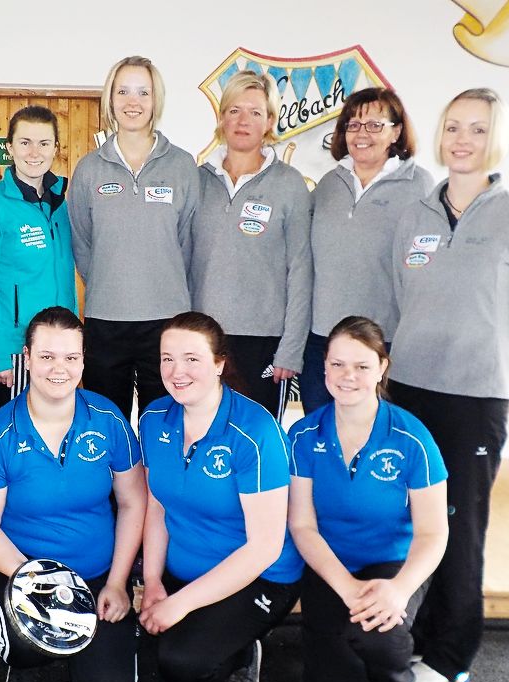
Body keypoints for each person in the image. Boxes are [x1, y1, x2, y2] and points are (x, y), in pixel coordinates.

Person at [389, 88, 509, 682]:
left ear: (496, 139)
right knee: (409, 520)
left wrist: (499, 380)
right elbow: (398, 300)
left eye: (478, 129)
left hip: (474, 402)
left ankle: (449, 653)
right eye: (454, 126)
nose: (463, 140)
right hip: (409, 391)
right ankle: (405, 634)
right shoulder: (415, 216)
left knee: (460, 527)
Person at [0, 307, 146, 682]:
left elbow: (133, 502)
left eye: (70, 357)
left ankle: (94, 640)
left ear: (83, 360)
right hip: (23, 571)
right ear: (27, 358)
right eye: (46, 356)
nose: (59, 368)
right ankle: (24, 662)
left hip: (97, 574)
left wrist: (118, 582)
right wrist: (38, 583)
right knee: (26, 647)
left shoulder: (108, 419)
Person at [287, 315, 448, 682]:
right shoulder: (303, 434)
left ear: (381, 368)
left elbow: (433, 533)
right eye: (337, 364)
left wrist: (399, 589)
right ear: (323, 368)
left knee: (379, 630)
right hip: (329, 564)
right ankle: (353, 645)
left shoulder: (412, 438)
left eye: (361, 366)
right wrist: (346, 587)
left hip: (392, 562)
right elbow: (301, 524)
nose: (348, 376)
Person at [139, 312, 303, 682]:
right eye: (167, 358)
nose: (177, 371)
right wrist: (153, 581)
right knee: (156, 655)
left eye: (192, 359)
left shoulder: (255, 431)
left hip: (261, 575)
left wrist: (180, 605)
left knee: (182, 671)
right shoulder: (154, 419)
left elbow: (264, 547)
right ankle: (217, 633)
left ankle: (244, 652)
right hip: (186, 568)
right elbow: (156, 505)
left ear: (218, 364)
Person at [67, 55, 198, 419]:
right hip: (106, 321)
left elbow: (189, 243)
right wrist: (113, 281)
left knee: (166, 425)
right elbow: (82, 243)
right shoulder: (89, 168)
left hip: (167, 322)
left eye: (143, 92)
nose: (133, 101)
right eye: (123, 91)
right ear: (110, 99)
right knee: (106, 425)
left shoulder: (182, 166)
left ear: (156, 100)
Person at [299, 88, 433, 414]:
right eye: (354, 125)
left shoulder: (419, 186)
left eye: (375, 125)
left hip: (384, 341)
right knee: (321, 433)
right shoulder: (329, 184)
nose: (362, 134)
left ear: (396, 132)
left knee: (377, 436)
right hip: (323, 340)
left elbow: (428, 271)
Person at [190, 71, 313, 418]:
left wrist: (291, 348)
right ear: (221, 118)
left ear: (270, 121)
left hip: (264, 342)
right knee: (201, 432)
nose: (243, 120)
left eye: (255, 112)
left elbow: (301, 270)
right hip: (203, 338)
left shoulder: (289, 185)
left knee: (257, 437)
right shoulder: (197, 180)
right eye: (234, 110)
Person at [0, 105, 77, 417]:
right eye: (25, 142)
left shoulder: (61, 206)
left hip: (57, 350)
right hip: (11, 351)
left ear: (56, 148)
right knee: (12, 435)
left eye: (44, 143)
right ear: (10, 147)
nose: (34, 152)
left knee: (54, 430)